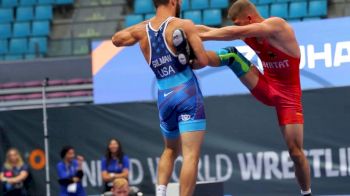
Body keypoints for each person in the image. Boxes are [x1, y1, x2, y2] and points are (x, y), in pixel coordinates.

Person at [190, 0, 311, 195]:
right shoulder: (247, 31)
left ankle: (307, 193)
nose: (237, 28)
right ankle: (193, 60)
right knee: (231, 55)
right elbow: (207, 28)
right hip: (265, 87)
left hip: (288, 97)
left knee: (296, 153)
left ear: (249, 18)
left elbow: (232, 33)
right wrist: (183, 30)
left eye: (238, 23)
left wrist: (199, 37)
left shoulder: (276, 25)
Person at [112, 0, 210, 195]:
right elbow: (204, 61)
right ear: (173, 1)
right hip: (187, 93)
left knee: (170, 150)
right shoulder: (183, 25)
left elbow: (116, 39)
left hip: (164, 97)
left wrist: (148, 23)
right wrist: (189, 58)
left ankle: (161, 192)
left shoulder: (142, 30)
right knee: (190, 156)